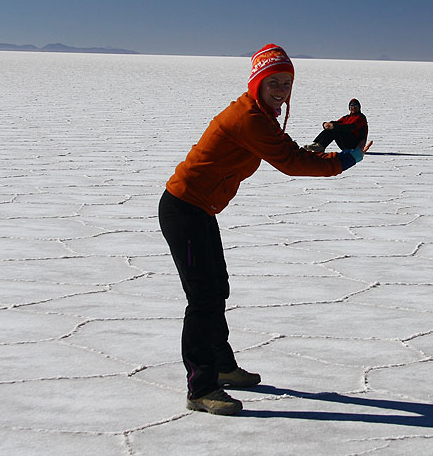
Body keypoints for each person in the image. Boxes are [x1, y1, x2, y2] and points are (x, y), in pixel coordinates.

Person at [158, 44, 372, 416]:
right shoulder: (250, 119)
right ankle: (201, 387)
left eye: (286, 83)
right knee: (203, 298)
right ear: (257, 82)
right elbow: (291, 160)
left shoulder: (261, 114)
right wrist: (345, 160)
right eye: (273, 81)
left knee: (216, 288)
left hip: (199, 210)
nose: (280, 90)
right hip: (183, 209)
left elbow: (290, 152)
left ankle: (222, 366)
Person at [304, 98, 369, 153]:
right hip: (346, 143)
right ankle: (315, 144)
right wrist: (326, 124)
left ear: (359, 107)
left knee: (335, 129)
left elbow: (350, 127)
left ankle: (320, 147)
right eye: (352, 106)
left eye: (356, 106)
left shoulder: (360, 117)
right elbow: (336, 123)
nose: (353, 108)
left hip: (354, 146)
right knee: (332, 128)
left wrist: (333, 126)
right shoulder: (346, 117)